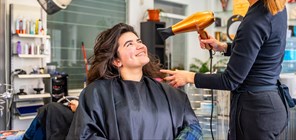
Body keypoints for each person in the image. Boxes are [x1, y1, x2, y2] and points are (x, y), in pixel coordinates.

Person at [161, 0, 293, 140]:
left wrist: (188, 77)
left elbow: (230, 80)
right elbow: (260, 51)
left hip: (256, 112)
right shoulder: (275, 8)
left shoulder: (256, 20)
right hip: (270, 104)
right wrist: (223, 47)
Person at [66, 23, 202, 139]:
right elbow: (85, 135)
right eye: (129, 44)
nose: (140, 46)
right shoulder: (96, 93)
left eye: (139, 41)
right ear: (116, 60)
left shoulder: (172, 95)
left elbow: (194, 128)